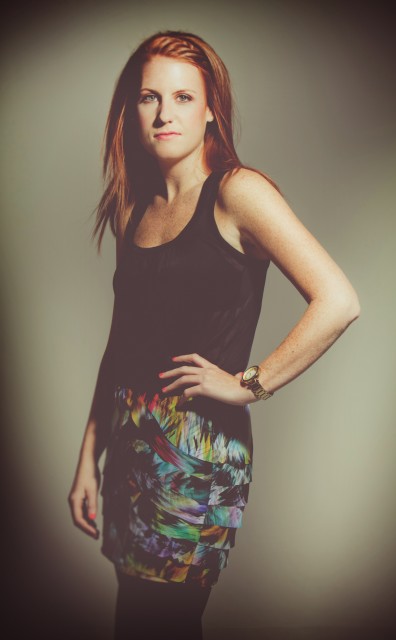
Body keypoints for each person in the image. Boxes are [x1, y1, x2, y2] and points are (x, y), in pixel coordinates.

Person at [68, 30, 360, 640]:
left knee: (165, 622)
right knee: (134, 619)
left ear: (209, 110)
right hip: (129, 446)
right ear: (131, 108)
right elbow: (121, 343)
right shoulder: (133, 207)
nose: (164, 113)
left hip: (197, 454)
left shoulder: (238, 192)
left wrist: (250, 383)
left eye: (182, 97)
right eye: (149, 97)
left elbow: (338, 300)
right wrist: (88, 459)